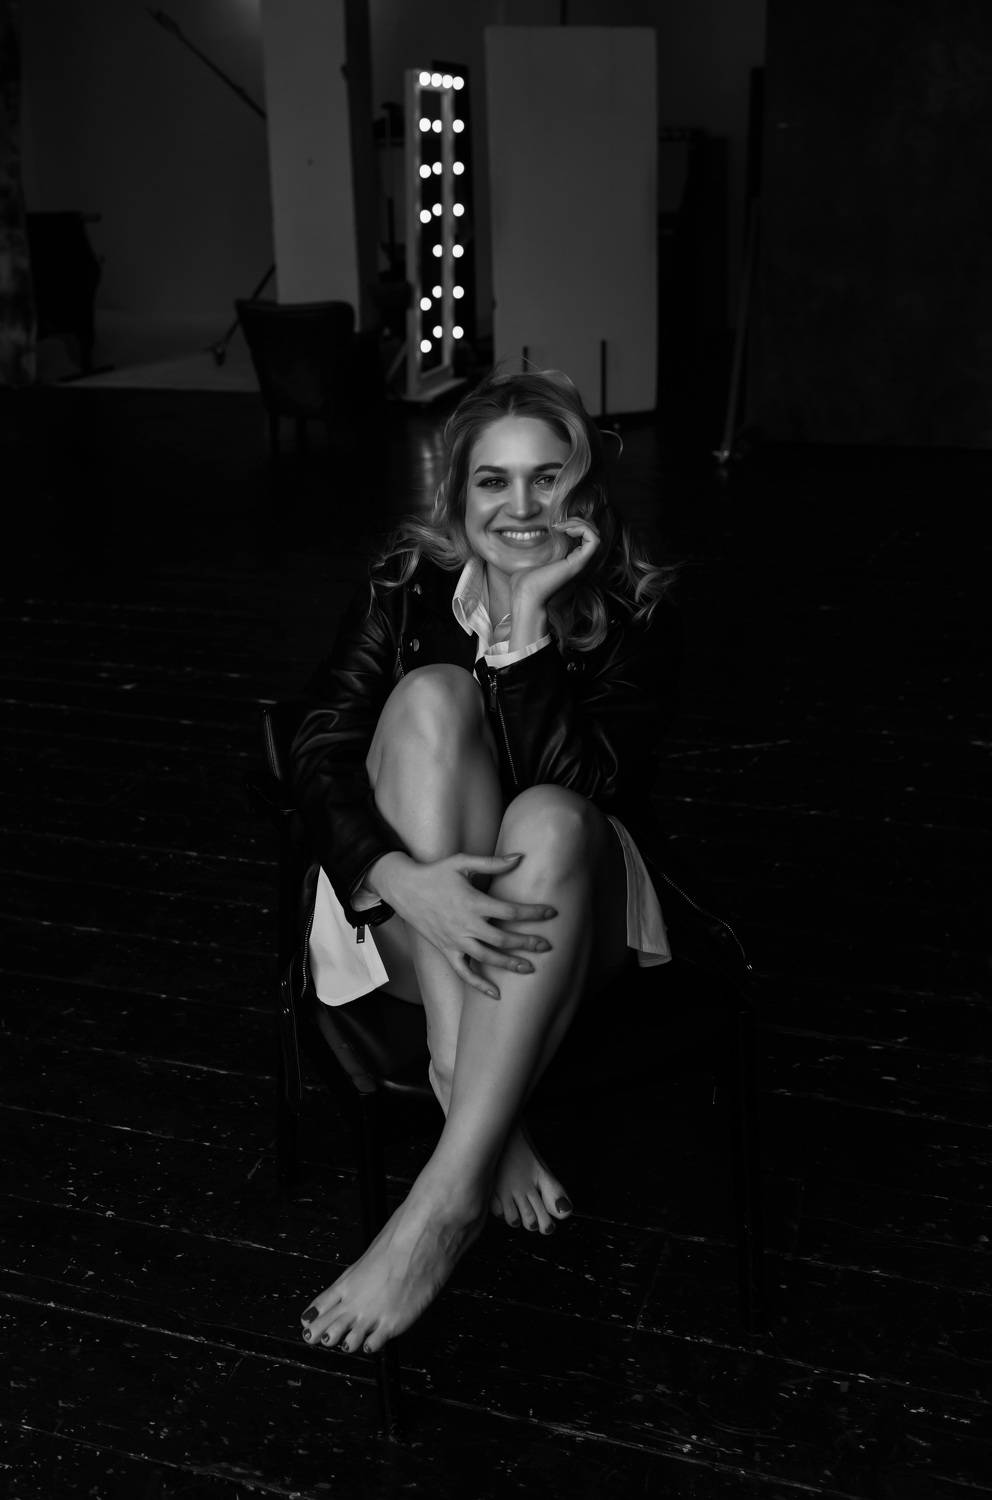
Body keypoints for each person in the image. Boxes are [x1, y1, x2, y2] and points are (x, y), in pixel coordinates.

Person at [291, 368, 743, 1358]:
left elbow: (595, 787)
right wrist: (396, 878)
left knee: (546, 816)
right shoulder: (403, 587)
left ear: (583, 490)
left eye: (547, 478)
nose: (521, 506)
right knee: (428, 697)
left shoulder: (636, 609)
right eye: (493, 481)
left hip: (566, 916)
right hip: (407, 920)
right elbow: (317, 750)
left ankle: (441, 1203)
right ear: (456, 495)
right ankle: (475, 1099)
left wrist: (528, 630)